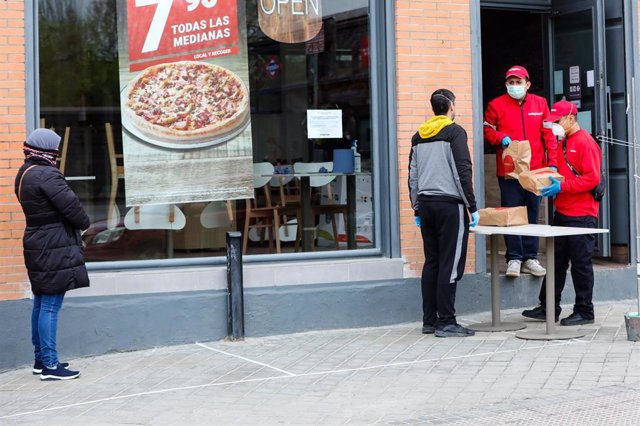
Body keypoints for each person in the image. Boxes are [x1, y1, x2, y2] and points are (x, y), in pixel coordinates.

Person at [14, 128, 91, 380]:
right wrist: (84, 223)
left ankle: (40, 360)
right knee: (50, 305)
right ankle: (50, 365)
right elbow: (75, 211)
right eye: (55, 148)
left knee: (41, 302)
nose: (57, 153)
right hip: (53, 244)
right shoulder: (48, 175)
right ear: (48, 149)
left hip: (38, 241)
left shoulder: (24, 172)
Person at [522, 100, 602, 326]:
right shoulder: (564, 141)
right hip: (563, 211)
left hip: (582, 214)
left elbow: (592, 178)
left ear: (571, 118)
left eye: (557, 121)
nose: (554, 125)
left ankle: (584, 311)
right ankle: (548, 307)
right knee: (556, 262)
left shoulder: (585, 142)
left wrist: (562, 186)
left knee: (581, 264)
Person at [409, 89, 480, 338]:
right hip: (450, 206)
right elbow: (463, 172)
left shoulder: (418, 137)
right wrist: (472, 206)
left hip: (427, 206)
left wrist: (416, 207)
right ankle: (447, 322)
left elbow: (413, 177)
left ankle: (429, 321)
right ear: (451, 106)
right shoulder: (454, 132)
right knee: (450, 264)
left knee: (433, 263)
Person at [484, 65, 557, 278]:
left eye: (518, 82)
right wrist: (499, 138)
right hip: (509, 170)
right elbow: (487, 129)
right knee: (512, 213)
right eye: (511, 82)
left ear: (528, 84)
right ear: (506, 84)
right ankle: (514, 258)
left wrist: (552, 164)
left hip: (534, 170)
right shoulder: (496, 105)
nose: (514, 86)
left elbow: (549, 135)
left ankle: (531, 258)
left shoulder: (540, 104)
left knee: (533, 212)